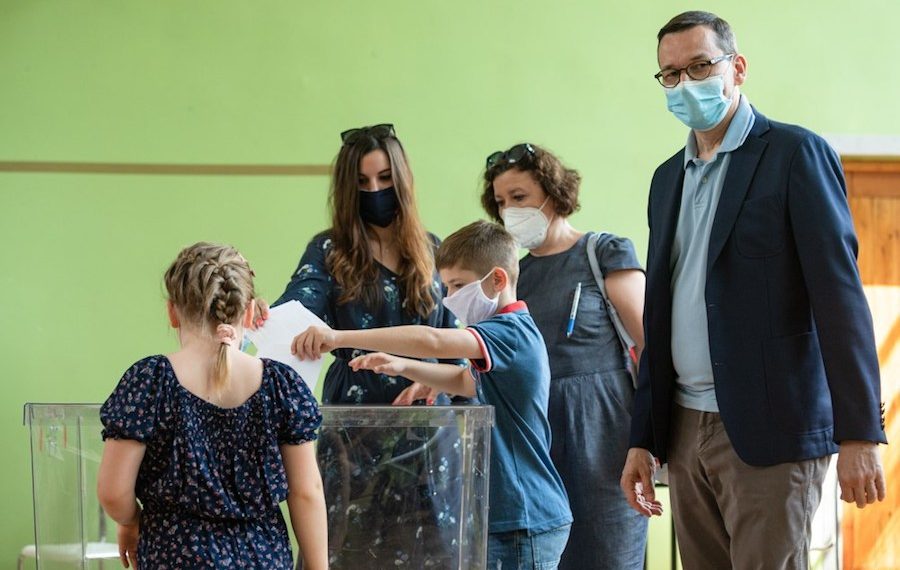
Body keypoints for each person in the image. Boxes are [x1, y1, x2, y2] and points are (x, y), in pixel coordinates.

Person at [620, 11, 888, 569]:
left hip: (771, 430)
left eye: (700, 66)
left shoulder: (794, 155)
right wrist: (643, 436)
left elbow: (839, 299)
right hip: (683, 429)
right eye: (670, 74)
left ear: (737, 68)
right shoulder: (667, 179)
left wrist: (860, 433)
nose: (685, 84)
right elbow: (659, 314)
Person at [293, 220, 573, 569]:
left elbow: (433, 341)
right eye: (447, 286)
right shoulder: (504, 337)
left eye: (458, 285)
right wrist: (403, 367)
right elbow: (464, 381)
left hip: (524, 515)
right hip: (509, 515)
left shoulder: (509, 332)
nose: (450, 298)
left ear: (498, 280)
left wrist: (338, 337)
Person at [271, 123, 466, 567]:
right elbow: (297, 308)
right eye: (362, 182)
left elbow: (459, 338)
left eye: (384, 178)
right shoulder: (329, 250)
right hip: (352, 436)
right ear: (347, 189)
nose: (375, 190)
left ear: (402, 180)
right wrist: (265, 317)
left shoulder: (433, 250)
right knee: (348, 550)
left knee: (431, 553)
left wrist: (436, 378)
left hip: (428, 435)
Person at [97, 242, 326, 570]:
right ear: (249, 312)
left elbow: (113, 492)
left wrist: (131, 522)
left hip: (173, 555)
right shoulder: (281, 385)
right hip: (262, 557)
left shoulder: (150, 381)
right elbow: (306, 493)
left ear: (173, 312)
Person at [480, 142, 650, 568]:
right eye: (501, 202)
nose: (509, 210)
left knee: (612, 556)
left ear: (553, 194)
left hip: (605, 439)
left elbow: (652, 347)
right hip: (537, 445)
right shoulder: (512, 278)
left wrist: (651, 438)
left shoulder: (603, 252)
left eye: (519, 197)